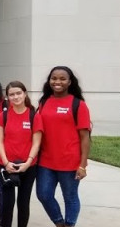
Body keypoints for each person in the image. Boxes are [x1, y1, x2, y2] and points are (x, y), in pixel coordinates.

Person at [35, 66, 91, 227]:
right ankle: (60, 223)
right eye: (54, 78)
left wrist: (82, 164)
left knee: (70, 197)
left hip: (70, 161)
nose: (57, 82)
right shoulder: (44, 102)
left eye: (62, 79)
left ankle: (70, 224)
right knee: (44, 195)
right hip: (46, 161)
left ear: (69, 82)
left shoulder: (78, 105)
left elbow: (85, 138)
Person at [0, 81, 43, 227]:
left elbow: (36, 143)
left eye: (18, 93)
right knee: (7, 203)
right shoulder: (3, 116)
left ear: (24, 93)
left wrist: (28, 163)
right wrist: (6, 163)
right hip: (6, 165)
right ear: (7, 97)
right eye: (11, 94)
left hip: (28, 166)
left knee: (23, 202)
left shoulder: (34, 116)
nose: (15, 97)